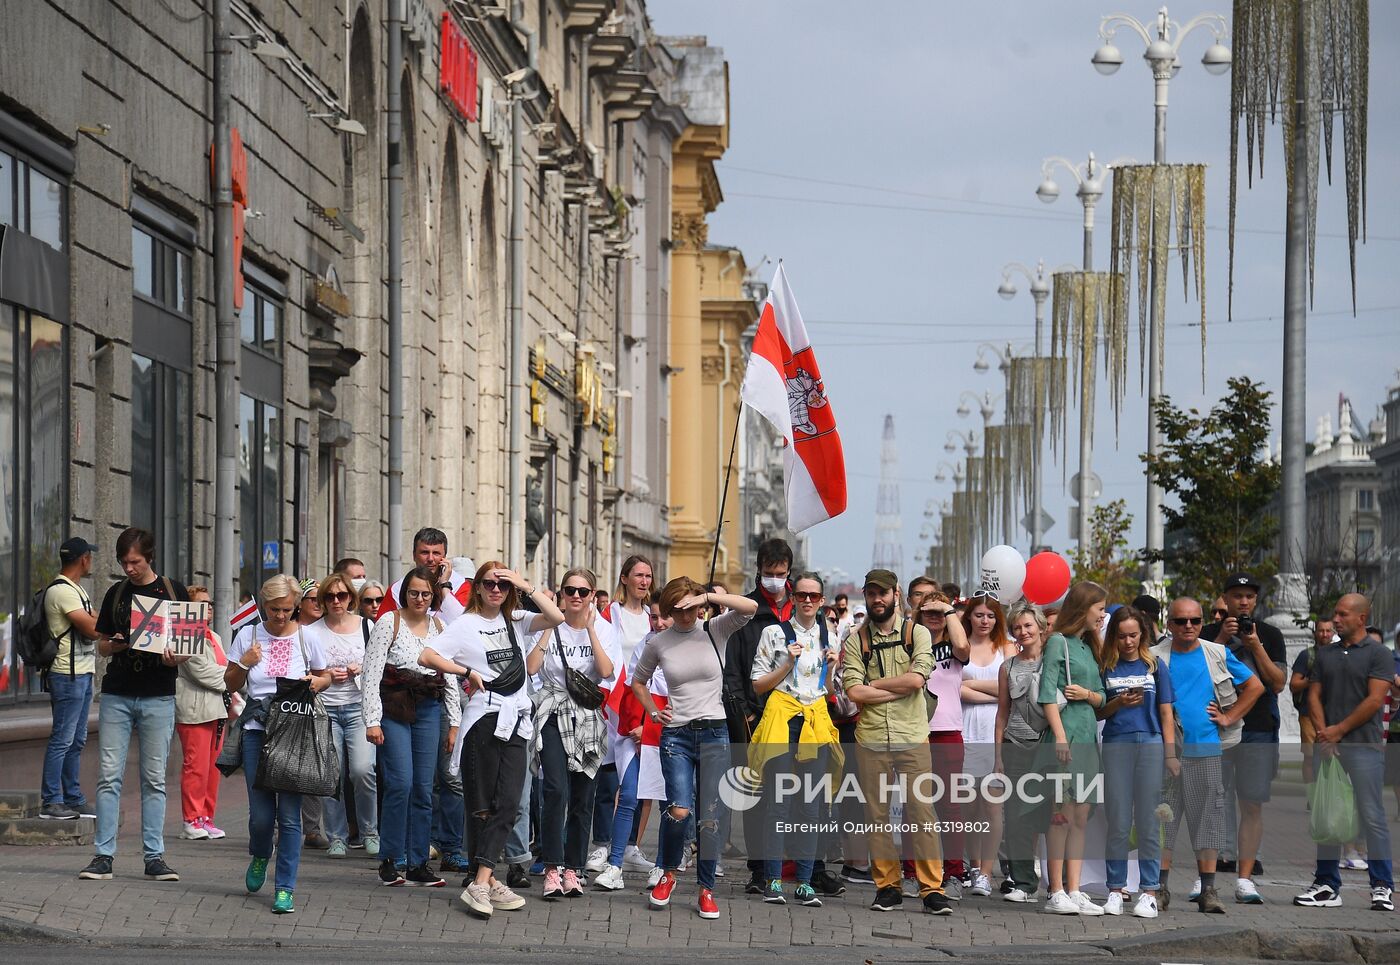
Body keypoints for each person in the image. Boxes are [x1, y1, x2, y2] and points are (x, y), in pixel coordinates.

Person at [419, 562, 564, 918]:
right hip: (484, 718)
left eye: (502, 584)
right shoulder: (466, 624)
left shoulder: (515, 619)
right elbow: (427, 656)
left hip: (516, 719)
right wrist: (466, 672)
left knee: (511, 803)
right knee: (483, 806)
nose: (496, 590)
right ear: (477, 588)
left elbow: (557, 617)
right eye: (489, 584)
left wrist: (523, 584)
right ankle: (485, 879)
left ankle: (482, 881)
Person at [632, 579, 757, 921]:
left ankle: (706, 890)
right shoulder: (659, 643)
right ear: (669, 610)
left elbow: (750, 608)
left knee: (710, 818)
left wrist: (707, 597)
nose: (686, 615)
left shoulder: (715, 628)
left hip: (715, 731)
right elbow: (638, 682)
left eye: (691, 608)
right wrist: (655, 712)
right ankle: (669, 872)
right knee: (679, 811)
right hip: (677, 735)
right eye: (678, 610)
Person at [79, 527, 191, 884]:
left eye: (135, 562)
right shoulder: (117, 593)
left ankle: (154, 856)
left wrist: (177, 659)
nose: (129, 568)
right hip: (118, 693)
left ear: (150, 557)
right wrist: (115, 644)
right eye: (124, 562)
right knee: (109, 775)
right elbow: (101, 645)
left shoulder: (174, 591)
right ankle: (103, 855)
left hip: (158, 693)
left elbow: (188, 646)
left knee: (154, 778)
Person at [842, 569, 952, 916]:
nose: (878, 599)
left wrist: (876, 687)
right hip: (872, 737)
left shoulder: (916, 632)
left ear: (896, 594)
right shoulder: (855, 639)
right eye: (871, 593)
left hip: (911, 736)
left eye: (883, 593)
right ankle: (887, 887)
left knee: (922, 814)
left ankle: (931, 888)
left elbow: (917, 680)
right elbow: (852, 690)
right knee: (876, 817)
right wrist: (896, 685)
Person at [224, 575, 332, 914]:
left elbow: (325, 676)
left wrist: (316, 682)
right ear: (263, 605)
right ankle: (260, 854)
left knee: (289, 817)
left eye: (287, 609)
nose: (281, 616)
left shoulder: (307, 637)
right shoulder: (249, 635)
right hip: (258, 730)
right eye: (274, 610)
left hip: (295, 732)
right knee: (260, 817)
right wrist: (245, 663)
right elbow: (229, 682)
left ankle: (285, 888)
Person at [1153, 597, 1263, 914]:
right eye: (1181, 621)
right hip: (1167, 753)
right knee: (1163, 822)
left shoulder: (1216, 652)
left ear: (1202, 623)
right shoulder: (1154, 656)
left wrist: (1229, 717)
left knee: (1209, 823)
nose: (1188, 626)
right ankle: (1159, 888)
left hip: (1207, 750)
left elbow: (1255, 687)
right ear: (1169, 623)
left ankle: (1208, 891)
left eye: (1195, 621)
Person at [1294, 593, 1395, 912]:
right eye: (1335, 614)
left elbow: (1374, 700)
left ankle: (1382, 886)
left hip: (1363, 746)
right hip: (1330, 747)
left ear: (1361, 618)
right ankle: (1326, 884)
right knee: (1329, 813)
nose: (1335, 620)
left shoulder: (1380, 653)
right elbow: (1314, 696)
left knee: (1372, 815)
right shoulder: (1326, 654)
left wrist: (1338, 731)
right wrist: (1326, 734)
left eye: (1342, 614)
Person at [361, 566, 459, 888]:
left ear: (433, 597)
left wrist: (454, 722)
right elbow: (371, 674)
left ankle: (418, 863)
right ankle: (390, 858)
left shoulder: (440, 626)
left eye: (426, 594)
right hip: (395, 708)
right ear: (405, 593)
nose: (419, 598)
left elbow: (449, 677)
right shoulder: (389, 622)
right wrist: (372, 720)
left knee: (423, 787)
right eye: (414, 592)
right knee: (400, 783)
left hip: (430, 708)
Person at [749, 573, 842, 908]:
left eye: (814, 596)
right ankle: (772, 879)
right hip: (783, 719)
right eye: (802, 595)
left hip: (814, 721)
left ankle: (804, 881)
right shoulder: (773, 633)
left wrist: (831, 669)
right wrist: (787, 663)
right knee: (778, 804)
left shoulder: (828, 634)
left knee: (811, 807)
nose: (807, 601)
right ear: (792, 596)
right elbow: (758, 685)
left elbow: (828, 691)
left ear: (821, 600)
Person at [525, 568, 615, 899]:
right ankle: (552, 867)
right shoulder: (546, 623)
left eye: (582, 591)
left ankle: (574, 869)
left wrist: (590, 630)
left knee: (582, 795)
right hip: (552, 711)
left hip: (587, 717)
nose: (575, 596)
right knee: (555, 789)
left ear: (593, 595)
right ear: (561, 593)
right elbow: (532, 667)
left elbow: (606, 672)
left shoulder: (603, 629)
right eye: (569, 590)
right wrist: (551, 626)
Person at [722, 539, 805, 896]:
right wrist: (746, 715)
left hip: (800, 715)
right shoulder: (746, 611)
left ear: (789, 572)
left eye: (781, 574)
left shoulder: (801, 609)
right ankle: (759, 870)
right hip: (757, 717)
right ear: (759, 571)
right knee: (757, 796)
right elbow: (733, 673)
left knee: (801, 794)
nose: (774, 579)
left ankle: (804, 868)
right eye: (768, 574)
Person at [1203, 573, 1287, 898]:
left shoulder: (1270, 633)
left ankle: (1245, 878)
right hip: (1217, 727)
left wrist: (1255, 645)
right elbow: (1198, 674)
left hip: (1258, 729)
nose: (1243, 602)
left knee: (1251, 803)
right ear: (1225, 598)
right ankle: (1205, 876)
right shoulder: (1209, 632)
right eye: (1237, 596)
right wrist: (1221, 640)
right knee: (1209, 801)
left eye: (1249, 596)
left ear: (1256, 600)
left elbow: (1277, 683)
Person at [1098, 605, 1177, 919]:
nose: (1128, 641)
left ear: (1143, 634)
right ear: (1113, 637)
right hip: (1117, 743)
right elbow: (1098, 712)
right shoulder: (1106, 666)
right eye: (1121, 636)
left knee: (1148, 820)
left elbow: (1166, 712)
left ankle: (1149, 891)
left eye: (1133, 635)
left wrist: (1170, 754)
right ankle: (1115, 889)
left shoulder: (1155, 666)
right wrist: (1119, 701)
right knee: (1117, 820)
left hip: (1151, 743)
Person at [1038, 582, 1108, 917]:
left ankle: (1075, 888)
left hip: (1088, 739)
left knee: (1080, 815)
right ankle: (1055, 890)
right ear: (1084, 607)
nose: (1103, 615)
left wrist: (1089, 696)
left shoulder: (1088, 646)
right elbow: (1047, 693)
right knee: (1061, 814)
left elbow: (1101, 697)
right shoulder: (1057, 642)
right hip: (1065, 739)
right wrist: (1060, 737)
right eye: (1100, 608)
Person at [596, 602, 674, 892]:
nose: (659, 622)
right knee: (627, 795)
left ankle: (663, 866)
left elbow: (683, 699)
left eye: (664, 615)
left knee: (670, 803)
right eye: (654, 616)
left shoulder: (685, 647)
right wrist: (637, 729)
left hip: (668, 735)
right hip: (635, 735)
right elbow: (631, 692)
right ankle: (615, 866)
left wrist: (652, 728)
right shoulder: (644, 644)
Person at [587, 555, 654, 876]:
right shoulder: (610, 614)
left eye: (648, 576)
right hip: (612, 703)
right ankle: (602, 843)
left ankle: (630, 845)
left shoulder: (655, 619)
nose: (644, 581)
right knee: (609, 776)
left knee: (639, 779)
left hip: (642, 702)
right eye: (638, 575)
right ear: (624, 578)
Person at [307, 571, 379, 858]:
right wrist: (324, 676)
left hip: (359, 707)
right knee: (332, 775)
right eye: (329, 596)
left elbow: (381, 665)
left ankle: (369, 831)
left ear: (351, 597)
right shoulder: (312, 631)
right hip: (325, 709)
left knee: (363, 771)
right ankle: (336, 836)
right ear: (323, 599)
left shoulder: (368, 627)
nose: (336, 601)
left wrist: (361, 668)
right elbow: (306, 672)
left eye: (342, 595)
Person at [39, 538, 101, 821]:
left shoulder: (76, 590)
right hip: (67, 674)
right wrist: (105, 624)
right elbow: (91, 628)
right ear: (84, 559)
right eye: (90, 557)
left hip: (82, 673)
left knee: (75, 740)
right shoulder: (61, 591)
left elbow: (94, 620)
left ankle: (72, 798)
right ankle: (51, 801)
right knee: (62, 739)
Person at [919, 591, 969, 898]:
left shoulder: (955, 647)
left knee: (949, 806)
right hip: (917, 732)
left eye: (940, 613)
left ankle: (953, 872)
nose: (934, 617)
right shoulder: (910, 643)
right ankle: (913, 872)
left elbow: (964, 648)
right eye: (929, 612)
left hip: (948, 731)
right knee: (917, 807)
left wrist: (947, 610)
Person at [997, 602, 1047, 903]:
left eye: (1028, 625)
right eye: (1017, 627)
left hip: (1047, 748)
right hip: (1015, 746)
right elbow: (1002, 713)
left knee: (1049, 817)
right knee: (1015, 818)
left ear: (1041, 628)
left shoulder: (1054, 663)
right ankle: (1023, 883)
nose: (1023, 631)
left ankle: (1059, 883)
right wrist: (998, 756)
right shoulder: (1008, 667)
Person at [960, 594, 1010, 897]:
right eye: (979, 615)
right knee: (968, 808)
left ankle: (987, 873)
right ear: (970, 617)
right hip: (965, 732)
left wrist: (972, 686)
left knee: (992, 807)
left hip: (996, 734)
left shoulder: (1006, 647)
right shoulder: (961, 647)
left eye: (990, 616)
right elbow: (956, 689)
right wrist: (996, 693)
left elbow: (1012, 687)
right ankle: (973, 866)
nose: (984, 621)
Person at [176, 585, 231, 841]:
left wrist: (232, 674)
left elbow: (223, 667)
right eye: (201, 604)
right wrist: (234, 677)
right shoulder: (184, 634)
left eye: (209, 604)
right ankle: (191, 819)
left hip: (216, 708)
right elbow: (202, 672)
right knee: (195, 767)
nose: (207, 608)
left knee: (212, 768)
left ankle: (207, 817)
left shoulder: (214, 636)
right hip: (195, 710)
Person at [377, 527, 471, 623]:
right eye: (424, 552)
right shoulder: (396, 590)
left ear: (444, 557)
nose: (430, 558)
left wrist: (445, 585)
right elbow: (382, 627)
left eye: (436, 553)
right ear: (414, 555)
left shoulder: (460, 586)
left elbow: (462, 624)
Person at [1292, 618, 1336, 785]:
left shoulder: (1339, 654)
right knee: (1310, 757)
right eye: (1321, 630)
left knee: (1331, 757)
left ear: (1333, 633)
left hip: (1332, 714)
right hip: (1308, 714)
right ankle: (1312, 797)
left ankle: (1328, 794)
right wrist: (1314, 680)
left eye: (1328, 631)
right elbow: (1294, 685)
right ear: (1315, 632)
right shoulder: (1307, 655)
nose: (1324, 634)